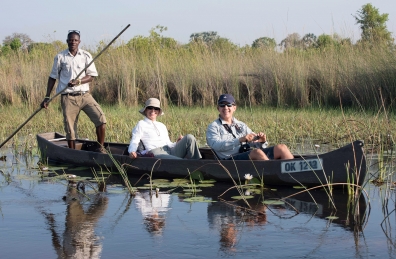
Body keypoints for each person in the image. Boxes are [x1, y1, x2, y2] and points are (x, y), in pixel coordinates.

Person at [41, 30, 106, 153]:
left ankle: (100, 148)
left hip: (84, 95)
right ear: (67, 41)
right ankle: (73, 154)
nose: (73, 42)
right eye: (71, 40)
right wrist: (47, 97)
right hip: (68, 97)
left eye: (75, 40)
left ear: (79, 42)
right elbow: (52, 77)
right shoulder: (60, 57)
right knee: (70, 129)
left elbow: (91, 76)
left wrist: (78, 81)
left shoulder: (86, 55)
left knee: (101, 119)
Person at [206, 94, 293, 160]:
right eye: (222, 105)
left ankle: (295, 174)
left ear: (234, 108)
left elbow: (254, 143)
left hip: (247, 154)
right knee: (256, 153)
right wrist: (239, 140)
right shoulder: (213, 127)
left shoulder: (241, 125)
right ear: (218, 108)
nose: (225, 107)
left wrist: (261, 141)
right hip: (230, 160)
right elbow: (216, 145)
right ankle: (274, 173)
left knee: (282, 148)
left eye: (229, 105)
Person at [128, 98, 202, 159]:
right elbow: (135, 140)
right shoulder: (141, 124)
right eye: (150, 108)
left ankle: (198, 163)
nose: (153, 111)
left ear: (158, 111)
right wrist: (132, 151)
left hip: (169, 150)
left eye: (156, 108)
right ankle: (190, 166)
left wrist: (177, 143)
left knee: (189, 137)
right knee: (180, 161)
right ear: (146, 110)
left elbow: (168, 143)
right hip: (156, 153)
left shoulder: (162, 125)